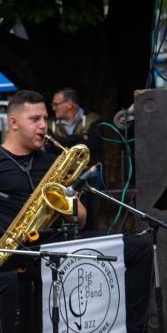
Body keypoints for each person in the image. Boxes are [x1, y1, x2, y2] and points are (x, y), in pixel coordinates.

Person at [0, 90, 160, 333]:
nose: (43, 126)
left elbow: (83, 218)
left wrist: (69, 202)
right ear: (13, 122)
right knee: (41, 271)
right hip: (11, 250)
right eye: (34, 119)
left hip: (56, 241)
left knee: (139, 246)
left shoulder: (52, 162)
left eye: (45, 119)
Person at [48, 87, 105, 229]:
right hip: (62, 175)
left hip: (88, 173)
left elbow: (94, 145)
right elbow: (50, 148)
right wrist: (80, 138)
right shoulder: (50, 123)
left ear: (69, 104)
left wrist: (63, 141)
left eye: (56, 104)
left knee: (92, 211)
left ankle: (91, 235)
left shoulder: (93, 119)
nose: (53, 108)